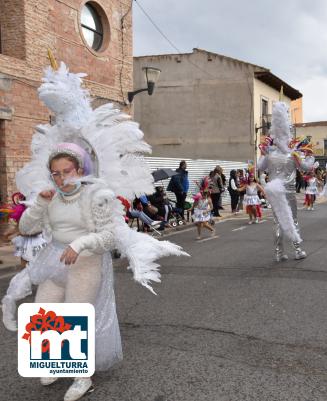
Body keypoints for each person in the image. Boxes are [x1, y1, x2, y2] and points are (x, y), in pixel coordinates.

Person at [1, 61, 188, 401]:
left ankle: (81, 377)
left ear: (80, 168)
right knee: (44, 313)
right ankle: (53, 365)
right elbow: (27, 228)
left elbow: (110, 235)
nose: (60, 178)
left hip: (85, 260)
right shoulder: (50, 195)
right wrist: (39, 205)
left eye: (66, 171)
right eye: (55, 172)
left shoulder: (98, 195)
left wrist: (81, 243)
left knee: (75, 315)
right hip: (54, 259)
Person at [257, 102, 314, 262]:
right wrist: (311, 158)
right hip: (288, 191)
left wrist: (263, 152)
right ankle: (297, 249)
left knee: (278, 222)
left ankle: (278, 253)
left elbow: (260, 167)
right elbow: (305, 167)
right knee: (292, 219)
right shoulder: (293, 154)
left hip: (274, 190)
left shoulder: (269, 153)